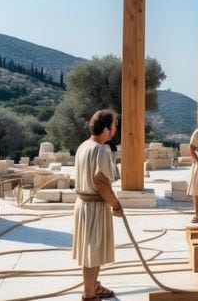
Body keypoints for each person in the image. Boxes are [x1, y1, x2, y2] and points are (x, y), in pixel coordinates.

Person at [72, 109, 123, 301]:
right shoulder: (100, 150)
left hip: (83, 204)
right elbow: (101, 181)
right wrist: (115, 204)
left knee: (93, 249)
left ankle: (94, 285)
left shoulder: (84, 146)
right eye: (114, 125)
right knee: (92, 252)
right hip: (94, 206)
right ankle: (89, 294)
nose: (115, 129)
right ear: (106, 128)